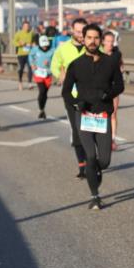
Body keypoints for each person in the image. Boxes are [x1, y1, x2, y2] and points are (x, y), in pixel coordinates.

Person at [62, 24, 124, 210]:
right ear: (83, 39)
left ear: (100, 40)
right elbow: (66, 92)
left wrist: (109, 94)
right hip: (85, 116)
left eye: (96, 38)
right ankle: (95, 196)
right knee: (90, 156)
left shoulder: (110, 63)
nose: (92, 41)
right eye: (89, 37)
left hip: (103, 116)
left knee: (103, 161)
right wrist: (76, 103)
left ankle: (94, 170)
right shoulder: (76, 65)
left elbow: (120, 86)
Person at [52, 18, 89, 177]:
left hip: (91, 96)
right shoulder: (63, 48)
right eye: (78, 31)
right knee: (77, 130)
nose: (81, 34)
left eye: (83, 31)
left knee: (89, 130)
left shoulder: (93, 46)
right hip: (71, 95)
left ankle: (92, 160)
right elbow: (54, 65)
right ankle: (83, 165)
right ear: (72, 31)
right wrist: (59, 74)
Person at [102, 30, 123, 150]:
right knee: (102, 114)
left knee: (113, 114)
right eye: (108, 41)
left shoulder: (117, 54)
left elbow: (121, 65)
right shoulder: (98, 54)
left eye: (112, 41)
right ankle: (101, 137)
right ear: (103, 41)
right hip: (101, 87)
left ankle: (112, 140)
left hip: (113, 87)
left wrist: (120, 69)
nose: (110, 43)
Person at [28, 34, 55, 119]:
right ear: (39, 44)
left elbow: (56, 60)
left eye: (46, 45)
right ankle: (40, 109)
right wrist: (32, 64)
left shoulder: (52, 50)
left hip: (48, 74)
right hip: (38, 72)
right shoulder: (35, 49)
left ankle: (42, 110)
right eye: (43, 46)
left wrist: (49, 63)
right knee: (42, 91)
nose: (44, 47)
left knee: (45, 94)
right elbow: (30, 56)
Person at [12, 21, 35, 91]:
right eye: (25, 26)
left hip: (29, 54)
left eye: (27, 26)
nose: (26, 28)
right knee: (21, 68)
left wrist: (32, 44)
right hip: (21, 54)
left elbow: (34, 41)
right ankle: (20, 82)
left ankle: (30, 83)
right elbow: (13, 42)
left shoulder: (31, 33)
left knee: (30, 68)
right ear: (22, 27)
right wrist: (20, 44)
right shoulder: (18, 33)